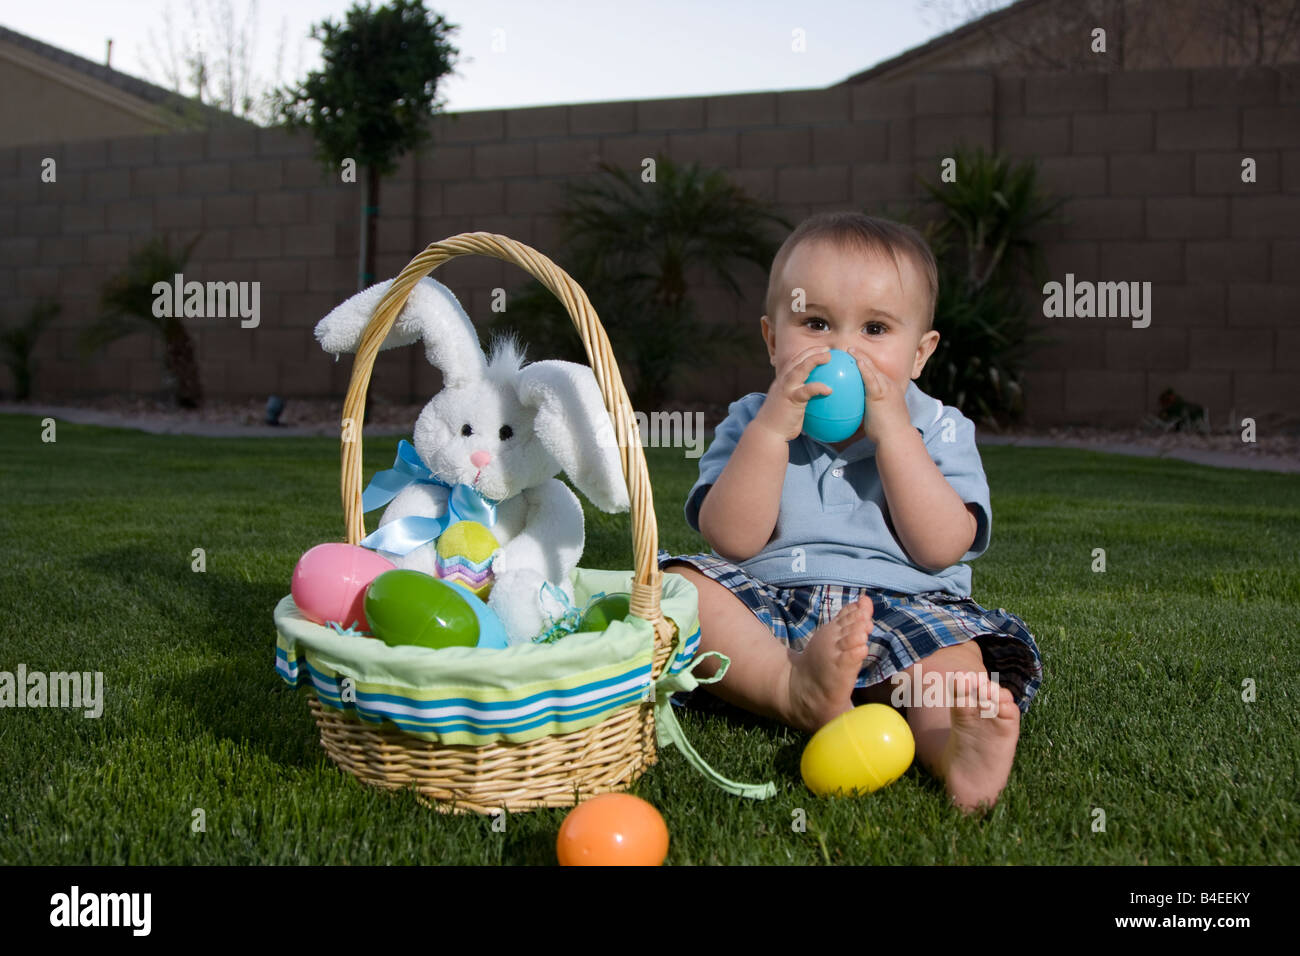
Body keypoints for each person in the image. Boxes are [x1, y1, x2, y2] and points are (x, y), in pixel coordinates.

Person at [658, 211, 1043, 813]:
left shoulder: (939, 428)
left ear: (919, 354)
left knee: (949, 661)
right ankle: (792, 689)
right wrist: (769, 436)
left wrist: (895, 436)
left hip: (906, 610)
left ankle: (954, 750)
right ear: (772, 340)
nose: (842, 351)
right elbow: (731, 539)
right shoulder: (752, 418)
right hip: (773, 614)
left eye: (875, 329)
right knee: (677, 589)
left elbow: (941, 547)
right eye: (815, 323)